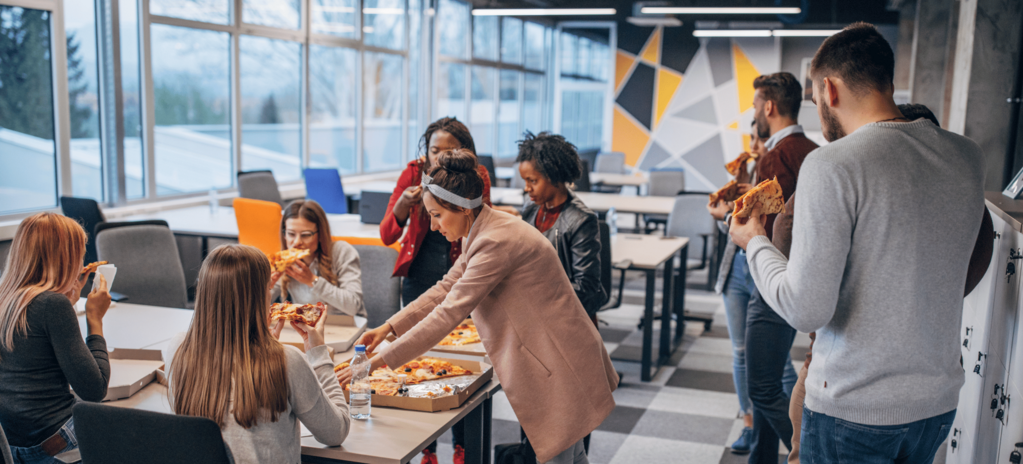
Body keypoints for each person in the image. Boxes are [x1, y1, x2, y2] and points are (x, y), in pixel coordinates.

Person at [730, 23, 985, 462]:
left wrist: (753, 241)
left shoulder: (832, 164)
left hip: (854, 410)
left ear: (829, 90)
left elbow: (806, 307)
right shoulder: (966, 155)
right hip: (937, 404)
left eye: (813, 98)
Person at [339, 149, 618, 464]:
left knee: (563, 456)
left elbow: (450, 311)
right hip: (558, 353)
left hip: (559, 360)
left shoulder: (494, 241)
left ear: (461, 208)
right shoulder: (486, 228)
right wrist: (387, 328)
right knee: (571, 456)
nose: (433, 227)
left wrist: (374, 365)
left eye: (436, 215)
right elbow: (445, 288)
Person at [165, 244, 350, 463]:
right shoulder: (288, 360)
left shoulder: (178, 349)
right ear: (260, 299)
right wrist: (318, 354)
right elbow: (336, 432)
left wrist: (264, 346)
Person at [379, 117, 491, 464]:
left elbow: (481, 227)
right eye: (434, 151)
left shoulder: (476, 177)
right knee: (417, 359)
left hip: (463, 269)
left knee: (463, 360)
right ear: (424, 152)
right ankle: (426, 449)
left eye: (450, 151)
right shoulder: (412, 174)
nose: (440, 158)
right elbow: (387, 234)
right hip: (421, 272)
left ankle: (461, 446)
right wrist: (404, 206)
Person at [742, 72, 818, 463]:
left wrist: (737, 222)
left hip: (773, 279)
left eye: (756, 105)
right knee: (772, 378)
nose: (754, 113)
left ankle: (806, 450)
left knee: (764, 386)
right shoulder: (813, 151)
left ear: (769, 107)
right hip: (802, 276)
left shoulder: (776, 156)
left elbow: (768, 229)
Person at [0, 212, 112, 464]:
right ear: (65, 259)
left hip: (12, 445)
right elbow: (94, 389)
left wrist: (68, 304)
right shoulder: (52, 305)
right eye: (79, 255)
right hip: (53, 445)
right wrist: (94, 318)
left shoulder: (7, 298)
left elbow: (32, 354)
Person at [706, 121, 765, 454]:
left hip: (764, 267)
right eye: (752, 139)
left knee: (776, 360)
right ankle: (748, 422)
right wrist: (724, 211)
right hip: (735, 267)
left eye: (758, 138)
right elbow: (731, 226)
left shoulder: (779, 171)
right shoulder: (746, 172)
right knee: (740, 352)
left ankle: (781, 425)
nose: (753, 144)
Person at [517, 131, 606, 323]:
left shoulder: (581, 220)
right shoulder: (531, 210)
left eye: (533, 181)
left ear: (554, 176)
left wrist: (533, 293)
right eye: (525, 181)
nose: (527, 188)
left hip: (570, 317)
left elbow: (586, 286)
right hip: (536, 310)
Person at [271, 199, 365, 317]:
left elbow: (353, 306)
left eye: (305, 235)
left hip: (346, 324)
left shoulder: (342, 252)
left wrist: (312, 281)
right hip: (306, 325)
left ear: (320, 234)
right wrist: (266, 286)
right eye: (291, 234)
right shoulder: (286, 261)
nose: (297, 242)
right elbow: (256, 307)